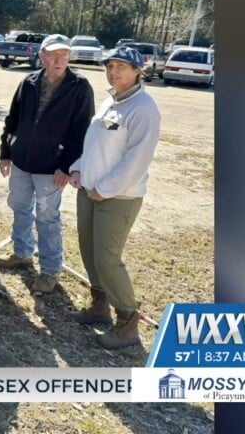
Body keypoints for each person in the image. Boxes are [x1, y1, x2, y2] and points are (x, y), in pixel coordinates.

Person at [68, 47, 161, 349]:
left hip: (117, 197)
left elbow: (138, 159)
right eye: (110, 66)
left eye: (122, 66)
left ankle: (128, 324)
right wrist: (78, 168)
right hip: (89, 190)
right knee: (89, 250)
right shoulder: (111, 101)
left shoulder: (143, 108)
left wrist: (105, 188)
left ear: (138, 71)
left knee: (107, 258)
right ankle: (99, 306)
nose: (114, 72)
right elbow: (93, 144)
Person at [0, 34, 95, 295]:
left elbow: (82, 131)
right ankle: (23, 253)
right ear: (42, 57)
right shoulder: (28, 82)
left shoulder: (80, 86)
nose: (59, 59)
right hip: (21, 161)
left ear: (69, 57)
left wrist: (66, 166)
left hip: (52, 168)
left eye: (64, 54)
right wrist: (6, 153)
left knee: (48, 218)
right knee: (20, 207)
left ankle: (50, 271)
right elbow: (12, 119)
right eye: (53, 54)